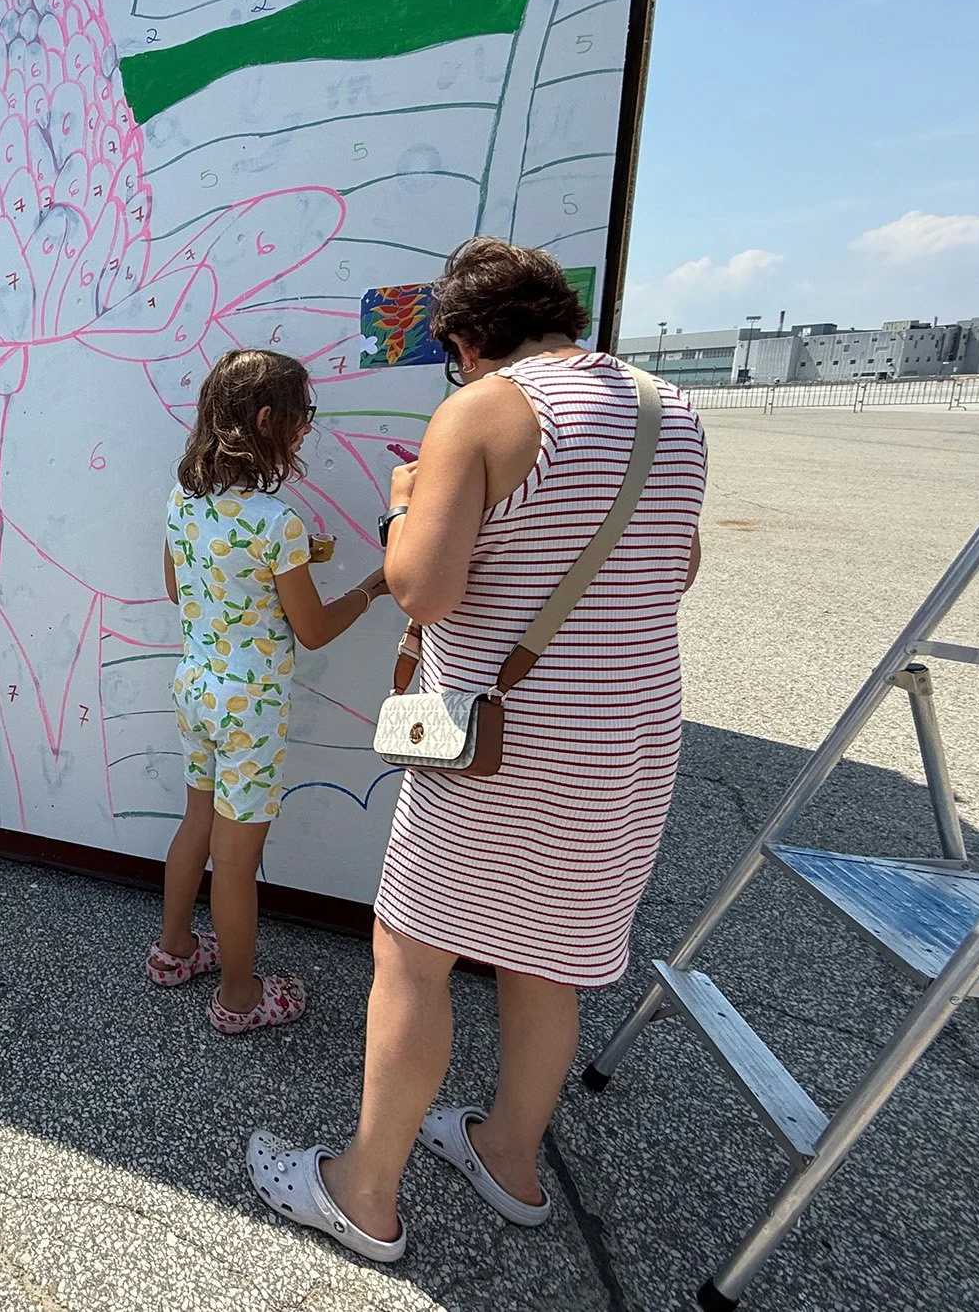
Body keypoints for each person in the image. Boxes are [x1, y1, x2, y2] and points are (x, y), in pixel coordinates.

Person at [248, 239, 706, 1262]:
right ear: (560, 317)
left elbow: (422, 589)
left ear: (461, 339)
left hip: (501, 744)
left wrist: (411, 502)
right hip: (628, 737)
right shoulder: (667, 410)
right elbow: (674, 567)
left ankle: (363, 1192)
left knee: (412, 955)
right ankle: (509, 1158)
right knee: (545, 963)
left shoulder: (479, 411)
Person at [150, 349, 392, 1034]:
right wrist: (370, 588)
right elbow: (312, 630)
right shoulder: (274, 521)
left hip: (195, 687)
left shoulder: (183, 498)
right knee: (237, 858)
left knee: (196, 823)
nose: (305, 430)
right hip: (250, 710)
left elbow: (178, 587)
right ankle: (239, 998)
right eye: (300, 417)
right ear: (265, 420)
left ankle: (173, 952)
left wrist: (273, 569)